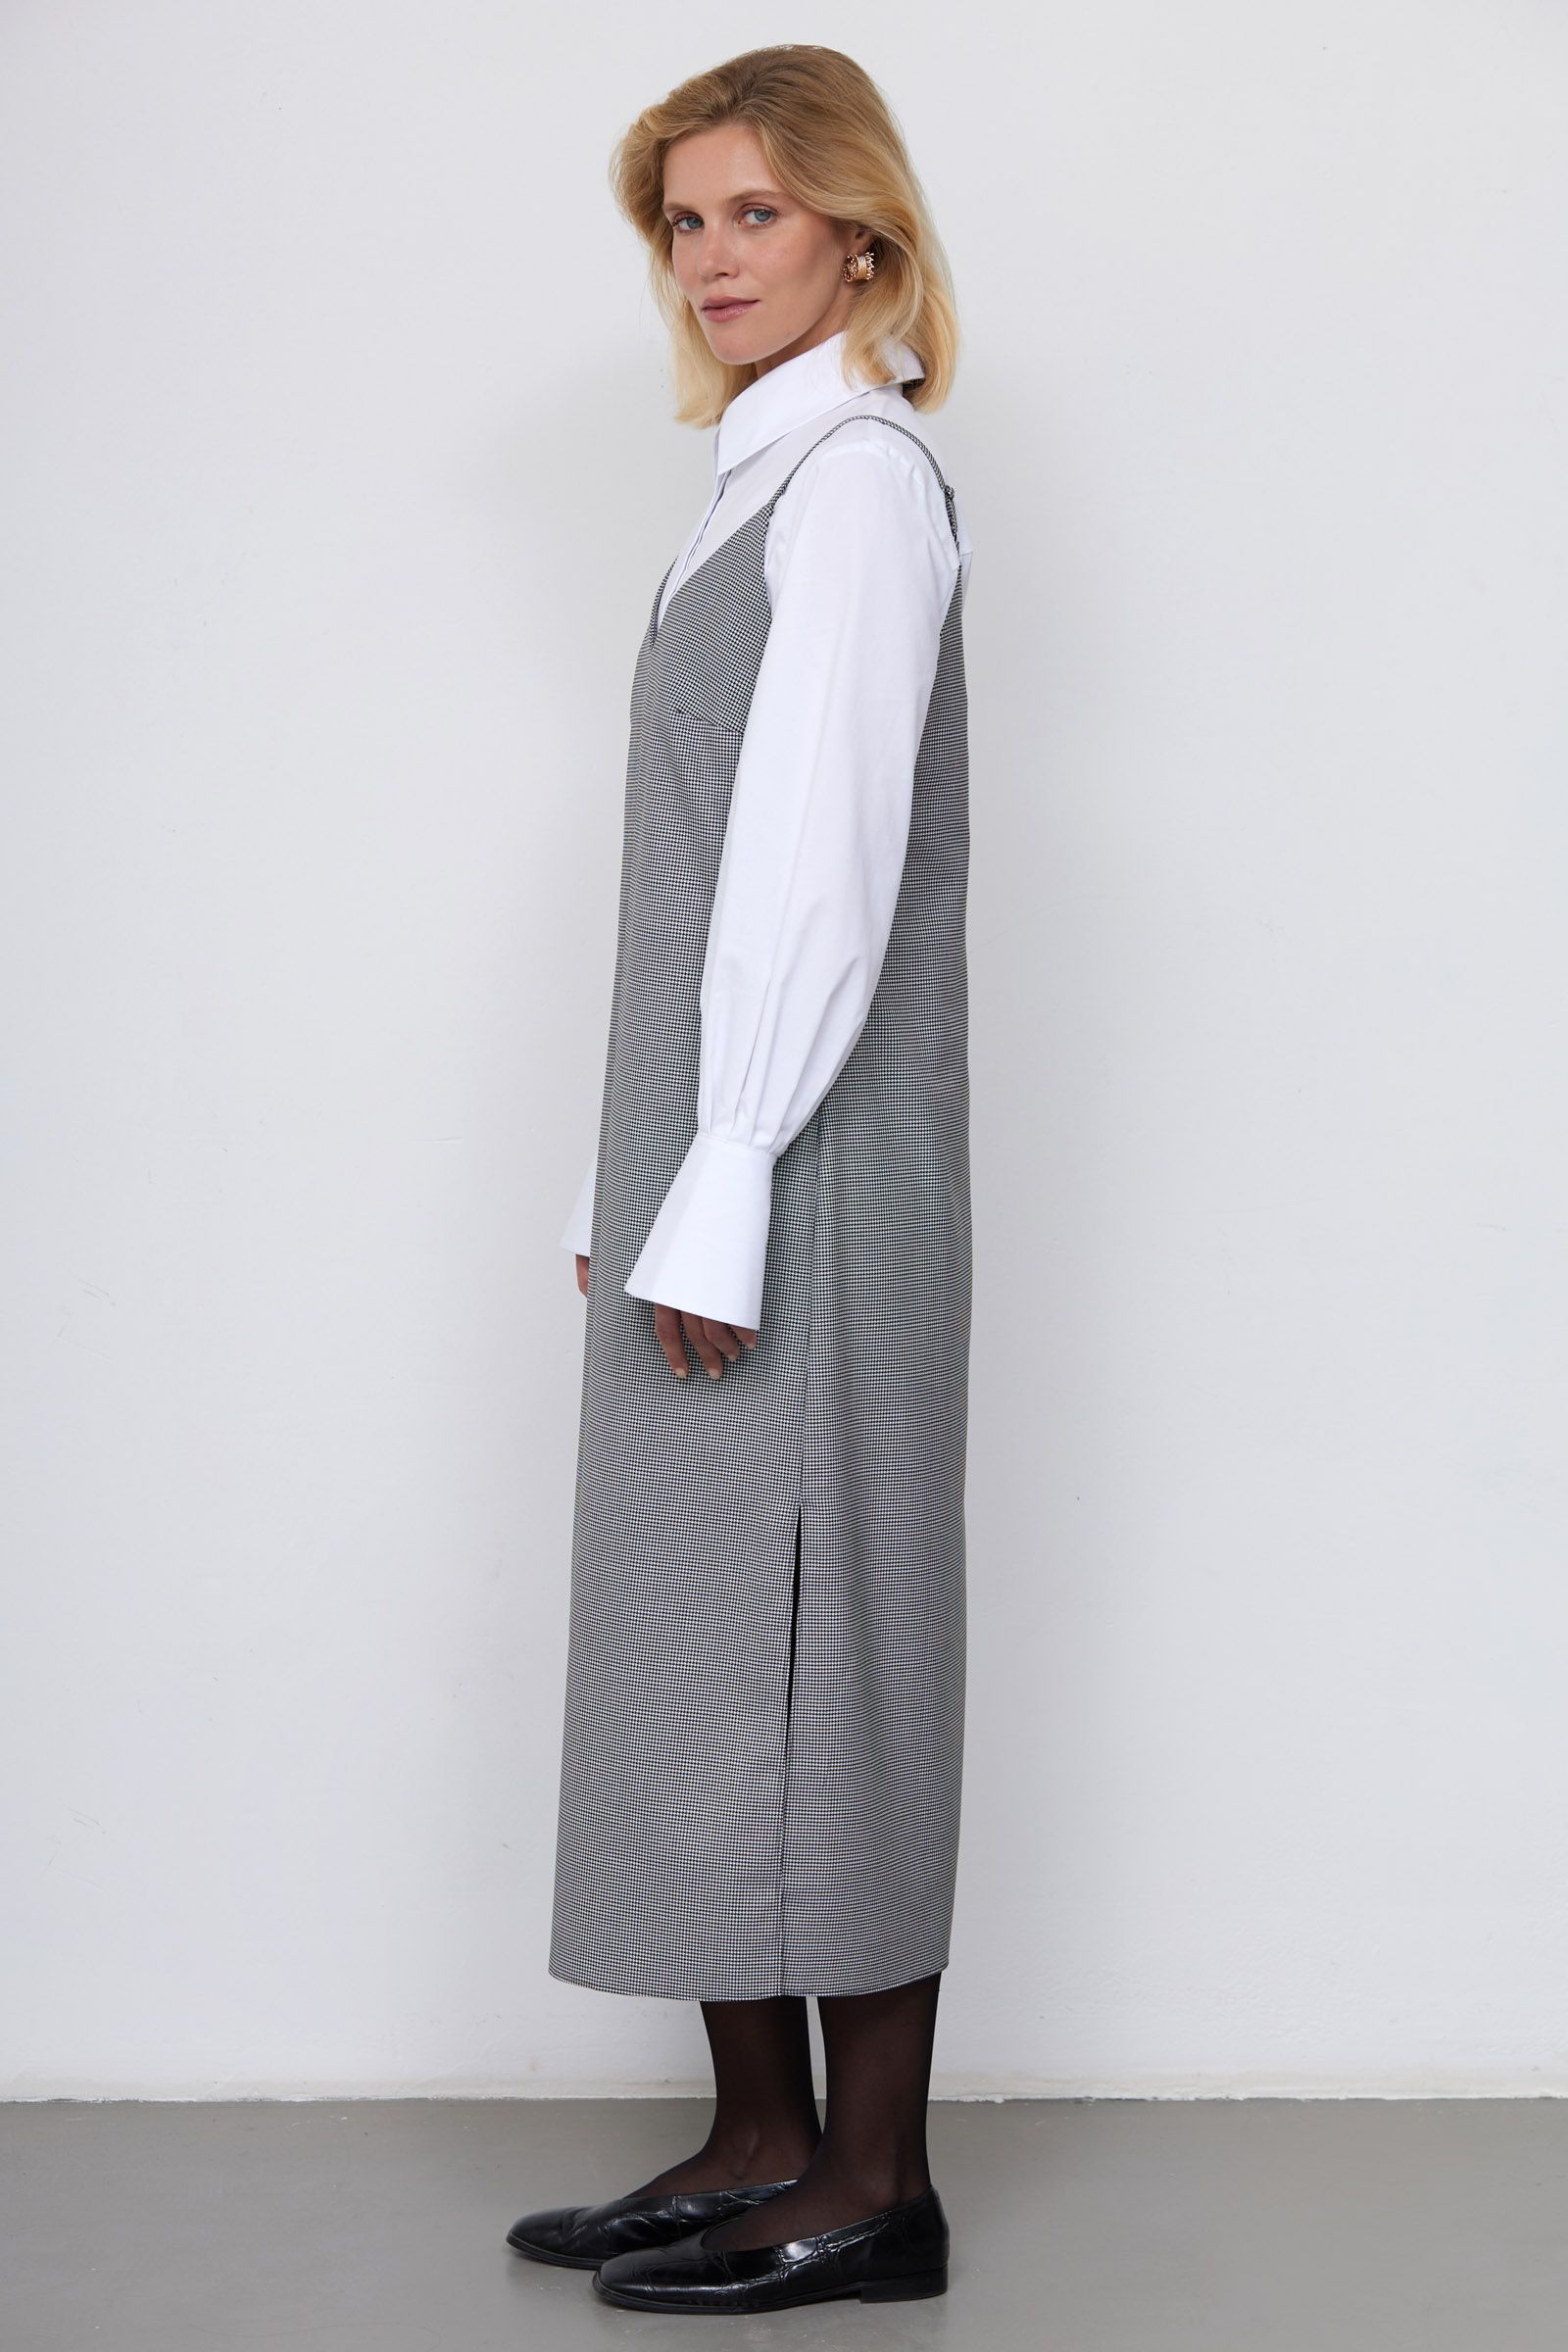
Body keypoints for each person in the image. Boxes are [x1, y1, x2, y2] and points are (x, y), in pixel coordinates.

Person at [510, 44, 975, 2315]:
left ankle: (871, 2186)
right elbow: (699, 888)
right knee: (705, 1635)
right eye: (683, 221)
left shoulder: (858, 487)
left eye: (754, 215)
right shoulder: (752, 484)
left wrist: (721, 1167)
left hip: (808, 1164)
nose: (709, 258)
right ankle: (758, 2136)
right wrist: (634, 1171)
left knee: (825, 1639)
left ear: (859, 236)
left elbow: (815, 879)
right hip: (716, 1149)